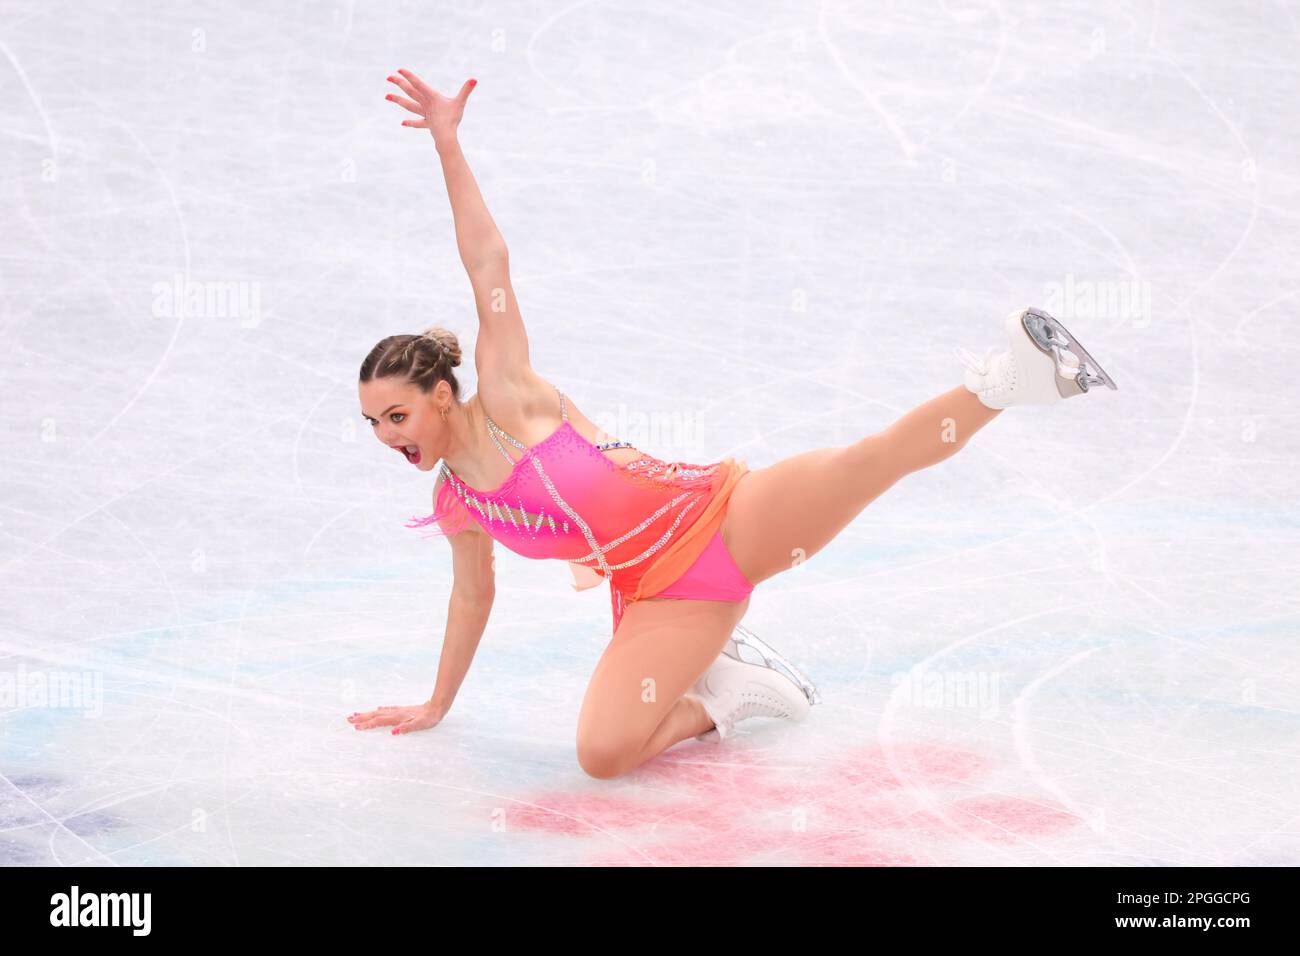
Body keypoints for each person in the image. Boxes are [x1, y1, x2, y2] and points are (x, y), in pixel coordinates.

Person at [346, 70, 1118, 779]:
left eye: (397, 414)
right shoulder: (459, 503)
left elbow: (489, 265)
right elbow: (471, 599)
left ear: (442, 394)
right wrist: (436, 704)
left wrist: (447, 142)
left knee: (865, 465)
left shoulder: (510, 396)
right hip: (660, 598)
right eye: (374, 422)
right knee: (603, 755)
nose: (386, 435)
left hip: (719, 518)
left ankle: (1015, 378)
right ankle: (732, 693)